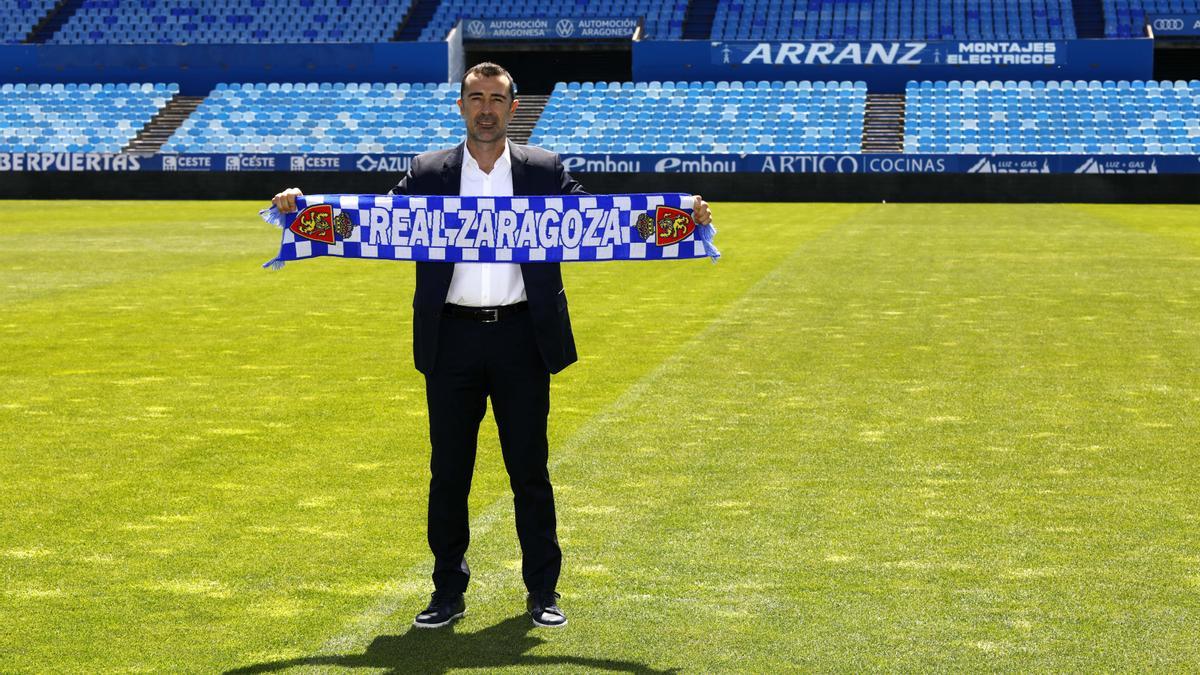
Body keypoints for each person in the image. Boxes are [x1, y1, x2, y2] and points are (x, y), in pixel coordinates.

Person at [272, 62, 713, 629]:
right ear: (461, 106)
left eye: (496, 99)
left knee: (529, 471)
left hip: (521, 338)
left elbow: (604, 220)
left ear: (513, 107)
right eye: (475, 97)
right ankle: (447, 592)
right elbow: (374, 220)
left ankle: (543, 592)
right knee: (449, 473)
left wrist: (683, 218)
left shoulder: (543, 169)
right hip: (450, 338)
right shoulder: (429, 171)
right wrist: (301, 210)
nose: (485, 108)